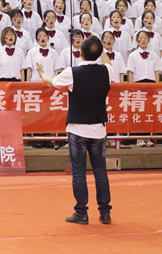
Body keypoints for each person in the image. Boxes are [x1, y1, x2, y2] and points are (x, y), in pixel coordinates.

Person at [35, 36, 113, 225]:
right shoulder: (106, 70)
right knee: (100, 172)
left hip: (78, 129)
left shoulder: (72, 72)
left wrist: (41, 72)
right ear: (98, 53)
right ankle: (105, 213)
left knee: (79, 172)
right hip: (98, 129)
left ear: (80, 53)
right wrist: (100, 49)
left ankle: (81, 212)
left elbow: (50, 82)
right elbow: (107, 62)